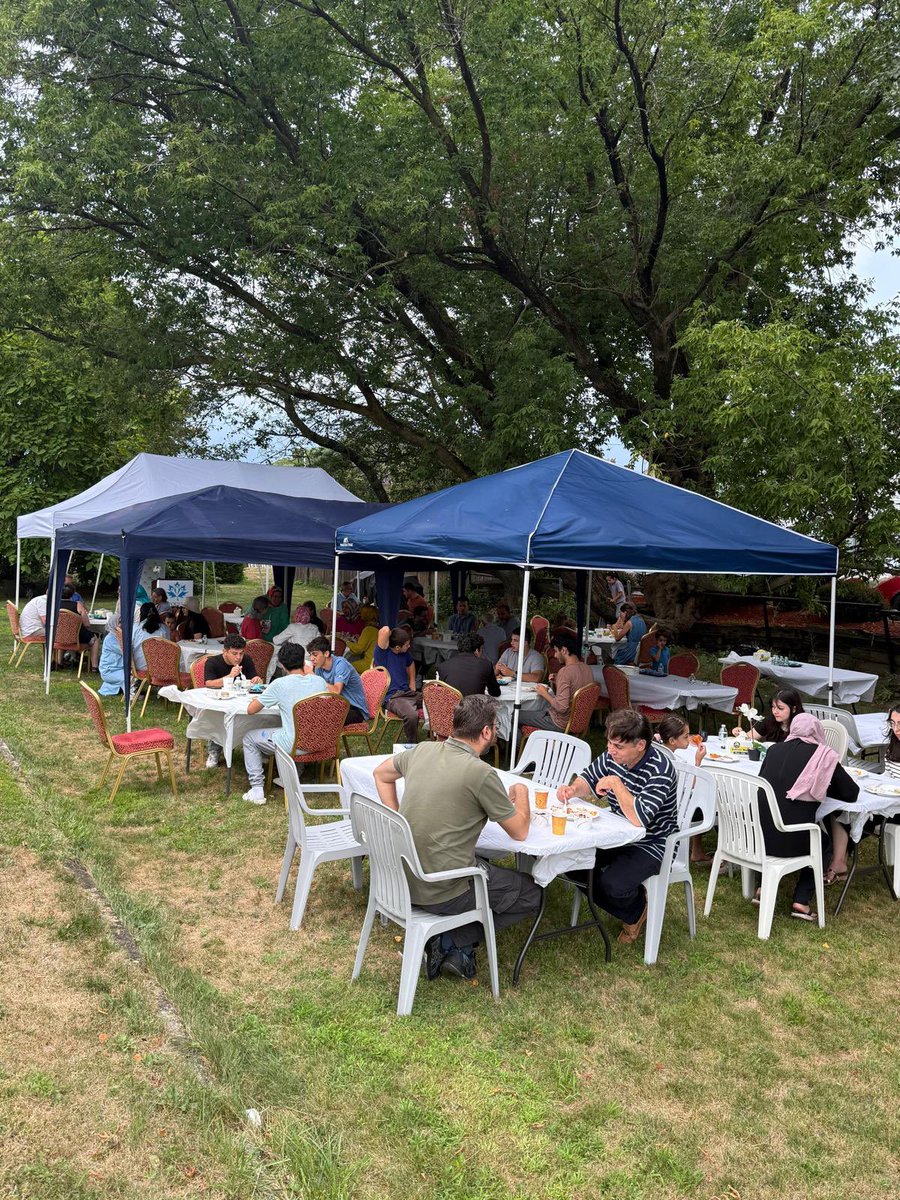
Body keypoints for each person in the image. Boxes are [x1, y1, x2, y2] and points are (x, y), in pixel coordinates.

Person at [373, 694, 539, 980]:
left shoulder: (422, 750)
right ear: (486, 732)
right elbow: (520, 831)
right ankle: (451, 938)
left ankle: (451, 942)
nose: (496, 734)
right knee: (531, 893)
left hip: (401, 876)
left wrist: (397, 820)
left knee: (483, 861)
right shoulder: (481, 773)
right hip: (441, 889)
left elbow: (380, 773)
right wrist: (522, 793)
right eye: (495, 729)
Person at [558, 708, 678, 943]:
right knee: (570, 861)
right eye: (610, 743)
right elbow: (588, 778)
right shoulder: (613, 755)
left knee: (612, 884)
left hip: (653, 843)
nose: (611, 750)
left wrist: (615, 783)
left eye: (618, 746)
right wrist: (574, 790)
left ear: (640, 745)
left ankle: (635, 911)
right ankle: (632, 905)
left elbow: (640, 819)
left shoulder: (661, 770)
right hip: (615, 833)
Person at [756, 714, 858, 920]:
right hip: (791, 839)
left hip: (757, 836)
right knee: (823, 842)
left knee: (772, 822)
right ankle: (801, 900)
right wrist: (822, 783)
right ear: (817, 731)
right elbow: (850, 793)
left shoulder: (774, 750)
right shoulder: (823, 756)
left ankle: (761, 888)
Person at [240, 642, 329, 804]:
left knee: (249, 738)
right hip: (322, 741)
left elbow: (251, 710)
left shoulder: (279, 684)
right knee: (292, 727)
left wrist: (260, 698)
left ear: (281, 665)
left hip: (294, 744)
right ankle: (291, 773)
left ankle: (257, 789)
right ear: (304, 661)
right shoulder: (320, 682)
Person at [826, 703, 900, 884]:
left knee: (859, 814)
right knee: (839, 808)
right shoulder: (894, 743)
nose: (896, 729)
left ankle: (838, 862)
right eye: (893, 723)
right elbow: (888, 774)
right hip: (888, 797)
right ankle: (839, 861)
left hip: (896, 807)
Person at [202, 633, 263, 771]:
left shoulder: (246, 660)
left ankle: (260, 749)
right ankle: (214, 751)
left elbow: (254, 679)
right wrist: (230, 676)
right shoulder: (213, 662)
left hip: (241, 699)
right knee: (218, 717)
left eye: (241, 653)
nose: (238, 657)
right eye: (234, 653)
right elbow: (209, 683)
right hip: (218, 700)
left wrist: (257, 680)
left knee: (257, 713)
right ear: (224, 651)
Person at [656, 714, 710, 864]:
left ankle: (697, 850)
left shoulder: (657, 752)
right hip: (678, 809)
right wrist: (698, 761)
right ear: (672, 740)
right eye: (686, 737)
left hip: (663, 805)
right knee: (710, 804)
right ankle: (700, 851)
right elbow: (693, 785)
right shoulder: (677, 763)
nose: (689, 740)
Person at [527, 632, 594, 732]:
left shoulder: (565, 672)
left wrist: (544, 693)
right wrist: (558, 681)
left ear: (564, 650)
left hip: (558, 723)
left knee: (515, 715)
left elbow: (561, 707)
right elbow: (574, 690)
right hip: (576, 722)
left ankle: (523, 745)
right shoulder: (587, 668)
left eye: (556, 651)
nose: (555, 655)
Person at [373, 625, 421, 743]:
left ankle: (437, 738)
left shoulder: (405, 654)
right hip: (394, 697)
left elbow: (411, 664)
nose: (409, 646)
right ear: (398, 647)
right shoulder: (383, 654)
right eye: (406, 645)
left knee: (437, 700)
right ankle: (412, 744)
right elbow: (385, 630)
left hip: (408, 693)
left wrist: (412, 681)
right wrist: (392, 634)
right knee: (411, 715)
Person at [307, 636, 370, 724]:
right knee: (308, 713)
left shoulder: (341, 664)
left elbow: (336, 691)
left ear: (326, 654)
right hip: (336, 705)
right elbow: (318, 691)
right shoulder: (319, 667)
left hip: (355, 709)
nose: (311, 658)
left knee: (322, 719)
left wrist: (314, 677)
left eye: (315, 654)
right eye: (310, 654)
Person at [436, 633, 501, 698]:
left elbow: (440, 694)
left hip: (452, 707)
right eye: (481, 649)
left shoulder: (443, 666)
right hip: (476, 707)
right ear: (476, 650)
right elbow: (495, 692)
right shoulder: (486, 665)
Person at [735, 688, 804, 742]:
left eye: (780, 708)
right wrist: (740, 734)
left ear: (794, 709)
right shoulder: (770, 721)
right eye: (773, 707)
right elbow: (748, 738)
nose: (775, 711)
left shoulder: (803, 727)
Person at [59, 582, 100, 669]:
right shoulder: (77, 605)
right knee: (95, 638)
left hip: (58, 637)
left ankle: (59, 662)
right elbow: (87, 624)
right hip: (76, 638)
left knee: (63, 632)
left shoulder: (54, 606)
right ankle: (94, 666)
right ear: (73, 594)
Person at [344, 605, 380, 672]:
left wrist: (346, 642)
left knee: (344, 666)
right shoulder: (376, 627)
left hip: (369, 664)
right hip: (376, 662)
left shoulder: (368, 629)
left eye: (361, 613)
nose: (360, 615)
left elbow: (359, 649)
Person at [132, 602, 165, 671]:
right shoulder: (164, 629)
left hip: (140, 667)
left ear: (141, 614)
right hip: (160, 668)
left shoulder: (135, 628)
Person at [98, 631, 125, 695]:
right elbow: (126, 652)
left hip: (119, 669)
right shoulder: (111, 638)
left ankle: (119, 688)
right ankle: (132, 693)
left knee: (133, 676)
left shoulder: (119, 636)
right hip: (109, 671)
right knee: (129, 678)